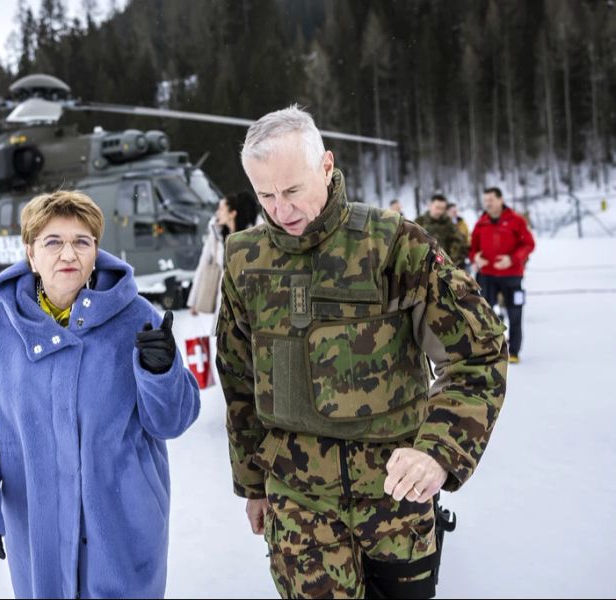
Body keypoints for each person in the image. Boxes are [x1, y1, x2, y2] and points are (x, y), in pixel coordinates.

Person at [216, 106, 508, 599]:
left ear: (326, 166)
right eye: (265, 195)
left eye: (292, 190)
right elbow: (238, 377)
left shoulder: (393, 244)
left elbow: (478, 353)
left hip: (394, 498)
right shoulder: (245, 258)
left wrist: (438, 451)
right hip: (297, 501)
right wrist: (250, 484)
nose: (280, 210)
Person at [0, 190, 201, 598]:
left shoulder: (137, 317)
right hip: (38, 528)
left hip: (124, 526)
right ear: (30, 254)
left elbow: (171, 422)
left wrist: (161, 372)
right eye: (53, 242)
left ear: (96, 252)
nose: (68, 254)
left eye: (81, 242)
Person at [470, 187, 535, 364]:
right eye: (485, 200)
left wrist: (512, 259)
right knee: (484, 314)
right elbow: (473, 247)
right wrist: (476, 257)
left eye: (491, 200)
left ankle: (513, 351)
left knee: (515, 313)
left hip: (511, 276)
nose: (487, 204)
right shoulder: (481, 222)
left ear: (500, 200)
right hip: (486, 276)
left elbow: (529, 244)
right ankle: (488, 350)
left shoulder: (516, 221)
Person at [188, 190, 260, 320]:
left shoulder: (253, 237)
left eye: (221, 209)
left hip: (249, 304)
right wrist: (194, 301)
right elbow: (203, 264)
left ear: (232, 213)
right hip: (224, 303)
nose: (217, 213)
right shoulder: (216, 235)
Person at [415, 194, 468, 268]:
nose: (439, 211)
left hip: (444, 267)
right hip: (423, 267)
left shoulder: (448, 224)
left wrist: (451, 261)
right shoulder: (419, 222)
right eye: (437, 207)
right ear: (430, 205)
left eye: (442, 209)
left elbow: (458, 242)